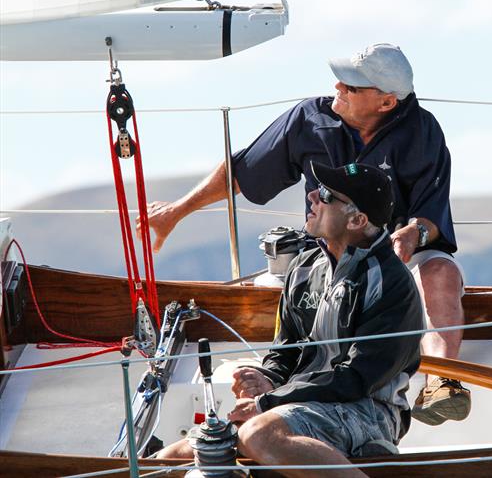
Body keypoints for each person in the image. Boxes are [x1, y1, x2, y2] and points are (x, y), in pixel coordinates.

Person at [138, 43, 471, 425]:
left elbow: (431, 216)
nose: (338, 87)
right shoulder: (309, 118)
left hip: (399, 255)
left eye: (352, 86)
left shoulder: (423, 131)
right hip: (327, 253)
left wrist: (411, 236)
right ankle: (292, 382)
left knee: (441, 272)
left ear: (386, 103)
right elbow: (245, 171)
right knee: (304, 279)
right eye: (342, 79)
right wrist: (176, 212)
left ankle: (443, 383)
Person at [156, 162, 423, 476]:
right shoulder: (304, 268)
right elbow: (285, 351)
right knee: (172, 458)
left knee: (257, 433)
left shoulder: (392, 284)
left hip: (369, 411)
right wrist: (266, 379)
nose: (311, 196)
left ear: (357, 220)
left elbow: (355, 380)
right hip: (300, 401)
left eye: (325, 194)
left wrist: (268, 402)